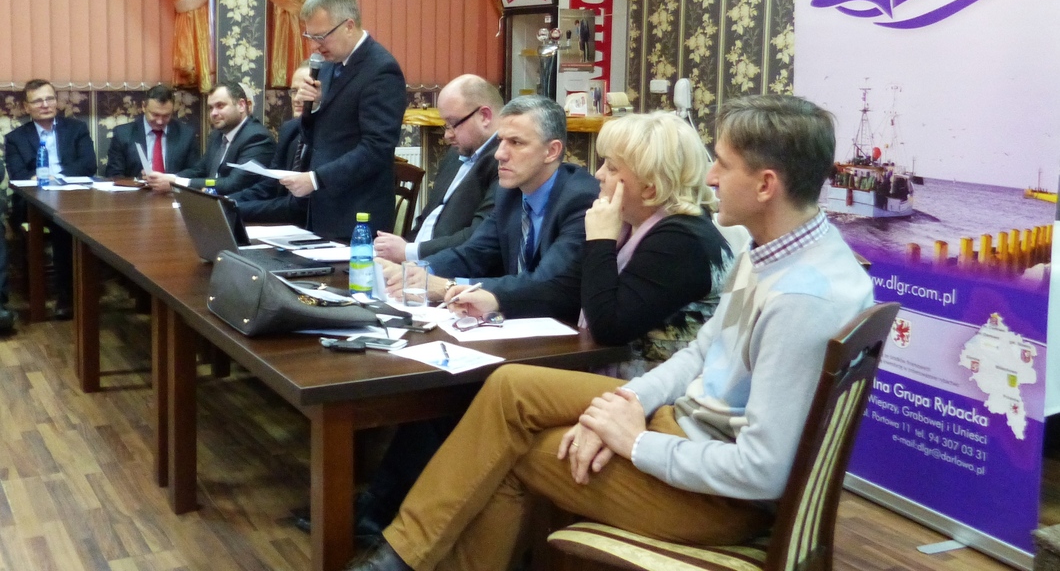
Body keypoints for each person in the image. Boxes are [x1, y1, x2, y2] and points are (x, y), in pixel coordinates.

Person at [344, 95, 875, 571]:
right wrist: (625, 405)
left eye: (723, 164)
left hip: (717, 498)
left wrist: (635, 441)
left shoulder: (802, 300)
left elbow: (761, 472)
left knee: (508, 451)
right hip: (685, 424)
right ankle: (399, 556)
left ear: (766, 185)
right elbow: (701, 352)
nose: (710, 177)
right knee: (508, 388)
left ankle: (400, 557)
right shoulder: (780, 252)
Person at [451, 112, 732, 376]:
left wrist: (600, 241)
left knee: (508, 381)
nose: (598, 174)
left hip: (655, 393)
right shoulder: (631, 226)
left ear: (650, 187)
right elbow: (566, 288)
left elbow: (608, 327)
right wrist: (495, 299)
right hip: (620, 379)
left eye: (611, 167)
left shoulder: (680, 240)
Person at [380, 95, 599, 303]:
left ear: (552, 151)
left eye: (516, 142)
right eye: (501, 141)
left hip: (564, 325)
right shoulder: (509, 193)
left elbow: (549, 283)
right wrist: (418, 271)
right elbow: (475, 253)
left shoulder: (581, 199)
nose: (499, 154)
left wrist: (449, 287)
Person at [280, 0, 406, 240]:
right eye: (310, 37)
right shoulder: (328, 65)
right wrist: (312, 109)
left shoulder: (381, 70)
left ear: (349, 25)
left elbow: (376, 148)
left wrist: (316, 179)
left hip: (356, 214)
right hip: (322, 210)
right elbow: (314, 138)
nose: (314, 47)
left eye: (321, 36)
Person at [373, 74, 502, 263]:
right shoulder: (455, 156)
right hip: (414, 266)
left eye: (453, 124)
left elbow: (477, 236)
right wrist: (398, 256)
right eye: (445, 126)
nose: (447, 135)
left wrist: (409, 251)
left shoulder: (503, 162)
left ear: (484, 116)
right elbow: (426, 219)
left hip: (451, 271)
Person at [6, 79, 98, 320]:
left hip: (72, 197)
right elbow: (18, 175)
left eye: (49, 99)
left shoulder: (76, 129)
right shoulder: (15, 138)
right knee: (61, 221)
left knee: (64, 219)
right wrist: (40, 179)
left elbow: (88, 165)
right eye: (38, 101)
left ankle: (76, 292)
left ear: (57, 102)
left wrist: (55, 177)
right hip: (32, 203)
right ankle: (66, 295)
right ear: (26, 107)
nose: (45, 105)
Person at [144, 82, 275, 195]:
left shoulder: (257, 137)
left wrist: (176, 182)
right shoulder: (217, 135)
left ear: (241, 105)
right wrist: (166, 178)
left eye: (220, 106)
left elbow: (232, 184)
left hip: (241, 210)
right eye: (211, 108)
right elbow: (200, 170)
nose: (213, 113)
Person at [230, 64, 312, 225]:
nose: (296, 99)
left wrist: (234, 209)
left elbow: (299, 206)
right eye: (294, 91)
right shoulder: (290, 129)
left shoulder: (330, 136)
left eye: (304, 91)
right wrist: (226, 201)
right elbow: (269, 185)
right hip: (284, 223)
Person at [104, 84, 200, 178]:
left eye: (166, 116)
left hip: (172, 188)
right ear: (143, 107)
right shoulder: (123, 134)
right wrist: (138, 180)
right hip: (136, 188)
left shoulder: (186, 135)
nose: (160, 121)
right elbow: (113, 175)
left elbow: (195, 172)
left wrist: (171, 180)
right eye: (155, 115)